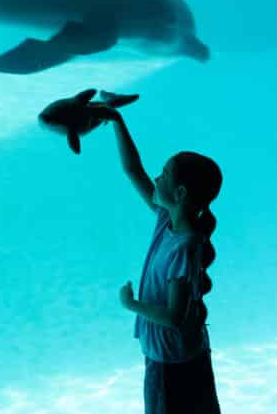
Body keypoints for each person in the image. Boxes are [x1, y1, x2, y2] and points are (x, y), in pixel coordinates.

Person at [97, 91, 222, 414]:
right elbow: (132, 170)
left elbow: (175, 317)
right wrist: (116, 120)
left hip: (171, 361)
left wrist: (131, 304)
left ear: (179, 193)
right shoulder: (167, 219)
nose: (156, 177)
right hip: (177, 354)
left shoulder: (184, 245)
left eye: (164, 174)